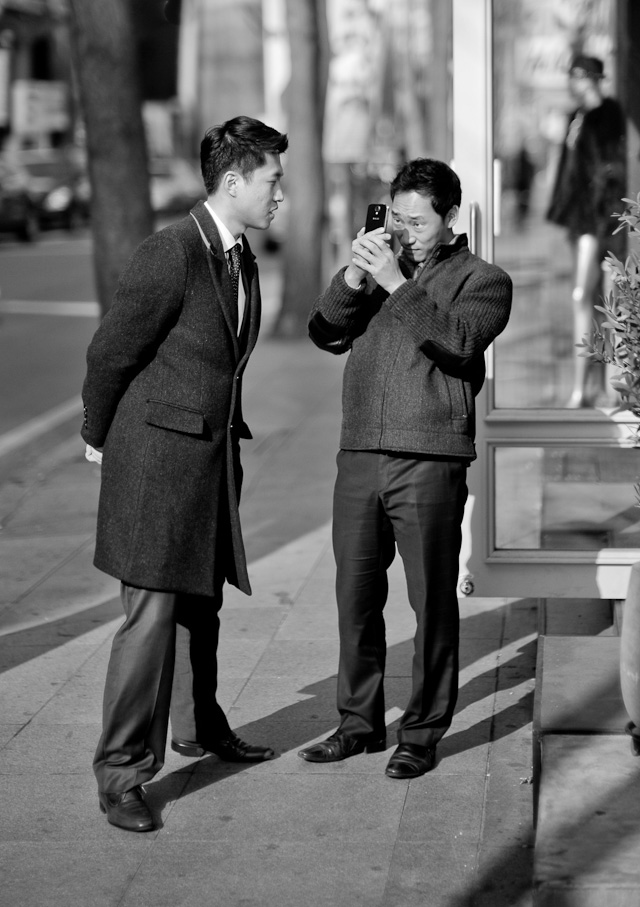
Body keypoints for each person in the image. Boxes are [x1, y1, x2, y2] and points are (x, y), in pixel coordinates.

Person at [82, 115, 288, 831]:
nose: (280, 195)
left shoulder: (240, 256)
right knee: (150, 622)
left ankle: (200, 727)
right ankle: (121, 774)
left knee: (202, 609)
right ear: (234, 182)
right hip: (156, 463)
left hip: (207, 460)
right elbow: (110, 351)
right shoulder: (171, 253)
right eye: (272, 180)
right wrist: (96, 433)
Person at [298, 158, 512, 779]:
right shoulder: (378, 269)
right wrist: (355, 278)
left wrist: (397, 284)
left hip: (432, 458)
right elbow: (322, 330)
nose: (406, 231)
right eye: (397, 217)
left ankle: (422, 732)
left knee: (431, 604)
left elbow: (459, 344)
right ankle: (359, 724)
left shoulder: (485, 279)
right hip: (361, 450)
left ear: (450, 218)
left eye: (418, 221)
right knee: (355, 598)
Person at [546, 53, 626, 408]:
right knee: (586, 299)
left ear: (591, 78)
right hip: (582, 220)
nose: (571, 82)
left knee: (596, 299)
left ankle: (605, 386)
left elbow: (612, 169)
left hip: (602, 219)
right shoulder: (576, 117)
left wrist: (603, 214)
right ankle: (587, 385)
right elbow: (569, 171)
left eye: (577, 76)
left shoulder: (608, 117)